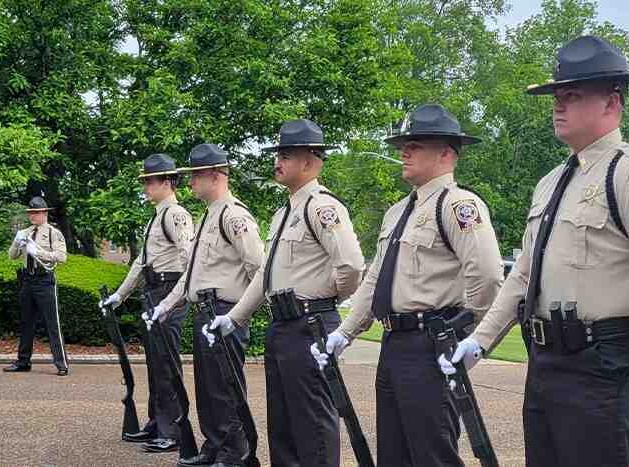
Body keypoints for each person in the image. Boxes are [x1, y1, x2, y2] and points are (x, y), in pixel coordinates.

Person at [447, 35, 629, 467]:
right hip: (546, 359)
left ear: (611, 103)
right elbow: (524, 273)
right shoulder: (552, 182)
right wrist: (480, 341)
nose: (558, 104)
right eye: (557, 95)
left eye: (572, 95)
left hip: (603, 362)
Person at [315, 103, 504, 466]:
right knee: (393, 451)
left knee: (432, 452)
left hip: (432, 343)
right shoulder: (398, 211)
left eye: (416, 144)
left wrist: (468, 335)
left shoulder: (458, 205)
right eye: (404, 143)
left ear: (446, 152)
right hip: (394, 343)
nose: (404, 151)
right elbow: (375, 279)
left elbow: (488, 275)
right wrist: (346, 332)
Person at [220, 118, 366, 467]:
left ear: (310, 161)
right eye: (278, 154)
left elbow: (351, 266)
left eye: (286, 155)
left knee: (312, 420)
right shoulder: (283, 213)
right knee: (282, 423)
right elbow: (266, 276)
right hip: (283, 327)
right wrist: (235, 317)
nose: (277, 162)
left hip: (310, 324)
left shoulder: (322, 207)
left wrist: (324, 301)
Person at [152, 143, 266, 467]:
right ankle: (214, 447)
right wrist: (167, 304)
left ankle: (234, 453)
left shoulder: (234, 215)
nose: (189, 183)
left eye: (195, 176)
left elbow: (258, 268)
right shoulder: (208, 216)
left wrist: (237, 315)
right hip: (205, 311)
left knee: (225, 388)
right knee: (208, 388)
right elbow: (191, 274)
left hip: (224, 311)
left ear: (215, 176)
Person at [98, 153, 195, 453]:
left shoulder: (176, 215)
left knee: (166, 364)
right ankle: (157, 422)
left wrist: (173, 299)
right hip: (154, 290)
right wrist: (120, 294)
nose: (145, 187)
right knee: (155, 363)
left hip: (170, 291)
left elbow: (188, 262)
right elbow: (141, 263)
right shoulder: (156, 216)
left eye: (149, 181)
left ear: (167, 182)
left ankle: (174, 430)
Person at [4, 195, 71, 376]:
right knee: (26, 323)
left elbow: (61, 256)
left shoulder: (52, 233)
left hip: (44, 280)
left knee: (52, 323)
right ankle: (23, 361)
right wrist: (17, 243)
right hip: (27, 280)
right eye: (30, 213)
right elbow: (12, 256)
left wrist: (39, 252)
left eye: (35, 212)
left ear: (44, 213)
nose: (32, 216)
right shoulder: (25, 232)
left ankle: (61, 363)